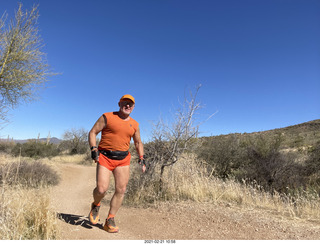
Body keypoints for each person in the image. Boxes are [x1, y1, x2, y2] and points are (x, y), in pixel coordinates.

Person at [88, 94, 147, 233]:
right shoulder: (107, 117)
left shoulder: (135, 124)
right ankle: (96, 205)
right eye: (125, 103)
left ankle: (110, 220)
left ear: (133, 107)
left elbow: (138, 142)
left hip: (123, 160)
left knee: (121, 190)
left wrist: (142, 158)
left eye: (130, 104)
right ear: (119, 104)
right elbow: (92, 132)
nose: (128, 106)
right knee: (101, 189)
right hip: (105, 157)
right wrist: (93, 149)